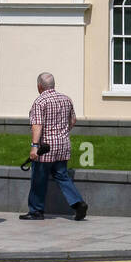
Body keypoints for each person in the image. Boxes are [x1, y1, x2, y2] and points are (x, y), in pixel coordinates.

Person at [19, 72, 88, 221]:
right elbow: (73, 120)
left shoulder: (40, 102)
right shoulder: (66, 99)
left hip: (46, 146)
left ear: (39, 86)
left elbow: (37, 125)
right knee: (61, 175)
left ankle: (36, 211)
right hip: (63, 144)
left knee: (39, 178)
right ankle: (78, 203)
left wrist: (34, 146)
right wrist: (63, 132)